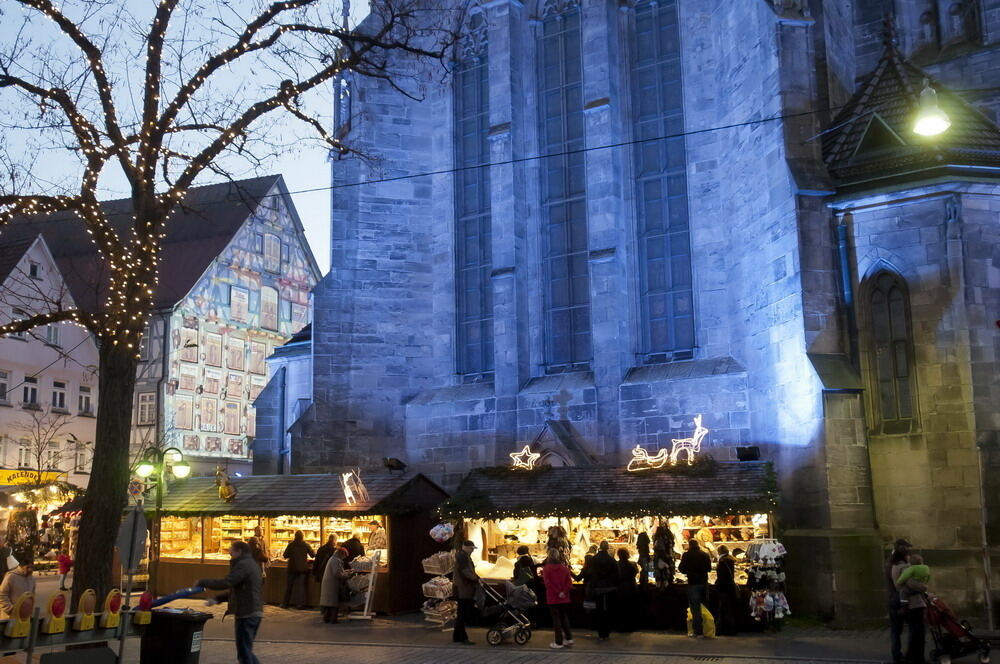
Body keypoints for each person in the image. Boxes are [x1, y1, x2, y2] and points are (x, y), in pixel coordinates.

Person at [197, 541, 264, 664]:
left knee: (244, 653)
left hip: (247, 612)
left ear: (239, 551)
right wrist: (217, 599)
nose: (230, 554)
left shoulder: (244, 565)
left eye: (231, 551)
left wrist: (203, 582)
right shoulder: (250, 564)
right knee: (246, 650)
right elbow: (238, 590)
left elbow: (228, 582)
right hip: (251, 611)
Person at [893, 552, 930, 664]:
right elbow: (912, 584)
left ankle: (913, 657)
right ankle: (915, 657)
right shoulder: (905, 569)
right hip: (914, 605)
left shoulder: (896, 567)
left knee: (915, 632)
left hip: (911, 604)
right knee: (917, 633)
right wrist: (924, 587)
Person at [541, 547, 574, 649]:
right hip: (564, 598)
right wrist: (563, 592)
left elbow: (548, 583)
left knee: (556, 620)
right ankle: (569, 639)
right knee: (564, 618)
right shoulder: (565, 568)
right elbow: (569, 582)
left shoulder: (546, 569)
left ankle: (558, 642)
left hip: (553, 597)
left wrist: (557, 592)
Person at [679, 538, 711, 638]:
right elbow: (709, 569)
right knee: (705, 606)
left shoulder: (687, 555)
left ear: (689, 545)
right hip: (704, 583)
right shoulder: (705, 554)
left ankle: (698, 631)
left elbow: (681, 568)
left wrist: (690, 571)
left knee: (695, 608)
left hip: (693, 584)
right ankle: (708, 629)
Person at [886, 538, 911, 664]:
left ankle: (896, 654)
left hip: (893, 597)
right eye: (906, 548)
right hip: (901, 597)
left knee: (895, 630)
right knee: (912, 626)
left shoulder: (889, 563)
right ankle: (906, 654)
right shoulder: (901, 565)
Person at [452, 539, 479, 645]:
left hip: (461, 588)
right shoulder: (462, 557)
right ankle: (463, 638)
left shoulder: (462, 556)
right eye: (472, 549)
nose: (473, 551)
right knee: (462, 614)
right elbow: (466, 572)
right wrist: (475, 579)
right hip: (463, 589)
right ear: (467, 548)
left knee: (461, 614)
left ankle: (457, 637)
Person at [591, 541, 619, 641]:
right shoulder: (611, 560)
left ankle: (600, 632)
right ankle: (607, 632)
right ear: (607, 548)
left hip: (598, 588)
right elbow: (617, 574)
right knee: (608, 610)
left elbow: (592, 574)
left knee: (599, 610)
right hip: (609, 588)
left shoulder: (594, 559)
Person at [282, 531, 314, 609]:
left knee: (289, 587)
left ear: (295, 536)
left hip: (292, 568)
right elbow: (313, 555)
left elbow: (285, 555)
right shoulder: (306, 545)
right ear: (303, 537)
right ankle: (299, 605)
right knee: (301, 588)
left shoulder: (291, 545)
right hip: (302, 569)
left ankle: (285, 604)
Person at [319, 547, 350, 623]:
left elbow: (338, 571)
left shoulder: (334, 558)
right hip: (332, 584)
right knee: (333, 603)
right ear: (341, 554)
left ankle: (327, 618)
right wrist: (347, 576)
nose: (344, 558)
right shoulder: (336, 560)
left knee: (329, 603)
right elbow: (336, 573)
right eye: (344, 556)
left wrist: (346, 571)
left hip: (329, 583)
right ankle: (333, 619)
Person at [714, 544, 739, 636]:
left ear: (719, 551)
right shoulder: (730, 559)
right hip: (729, 587)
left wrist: (717, 583)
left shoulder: (722, 561)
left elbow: (721, 576)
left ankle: (725, 629)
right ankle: (728, 629)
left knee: (724, 608)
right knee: (727, 608)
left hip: (724, 587)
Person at [616, 548, 639, 632]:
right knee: (630, 608)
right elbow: (636, 572)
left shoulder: (616, 565)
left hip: (621, 588)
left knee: (621, 609)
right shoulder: (633, 564)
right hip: (631, 587)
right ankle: (630, 627)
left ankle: (621, 627)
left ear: (619, 555)